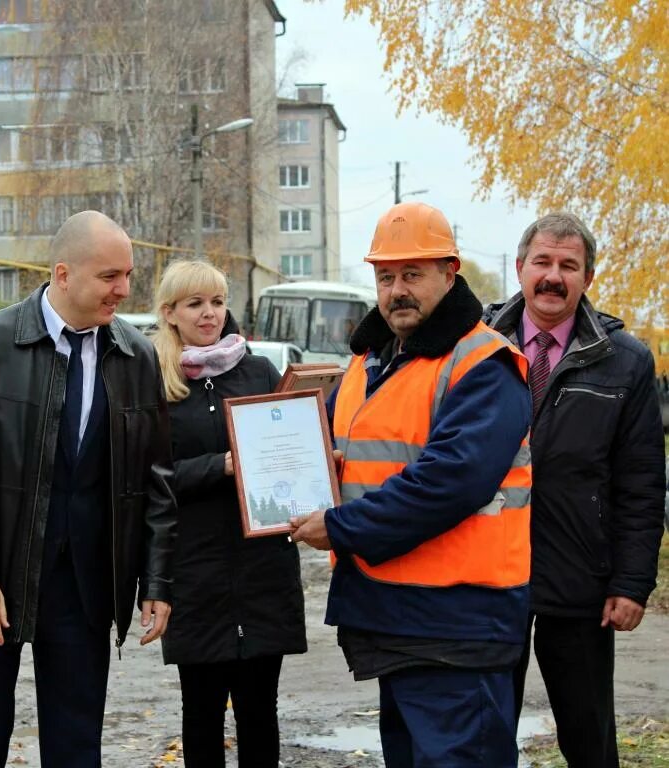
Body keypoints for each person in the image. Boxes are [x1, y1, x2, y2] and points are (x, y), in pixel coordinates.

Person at [0, 210, 177, 768]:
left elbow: (156, 480)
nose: (124, 289)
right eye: (110, 276)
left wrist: (157, 580)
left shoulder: (136, 356)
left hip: (84, 590)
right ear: (63, 275)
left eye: (129, 274)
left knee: (75, 749)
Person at [291, 201, 532, 767]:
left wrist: (339, 526)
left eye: (413, 275)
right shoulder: (368, 364)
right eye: (386, 276)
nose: (397, 290)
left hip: (458, 627)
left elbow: (447, 483)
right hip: (395, 618)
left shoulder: (485, 363)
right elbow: (334, 456)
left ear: (450, 274)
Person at [485, 212, 665, 768]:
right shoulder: (476, 348)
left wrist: (632, 582)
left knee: (588, 737)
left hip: (580, 574)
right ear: (520, 268)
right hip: (488, 571)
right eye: (542, 262)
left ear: (588, 276)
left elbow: (641, 482)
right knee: (486, 736)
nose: (553, 277)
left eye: (569, 265)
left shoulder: (625, 361)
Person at [152, 259, 307, 767]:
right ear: (170, 312)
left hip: (262, 569)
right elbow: (145, 481)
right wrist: (215, 466)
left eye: (217, 302)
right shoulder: (155, 381)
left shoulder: (257, 370)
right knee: (200, 714)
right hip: (195, 575)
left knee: (260, 710)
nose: (209, 314)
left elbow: (285, 452)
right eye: (195, 304)